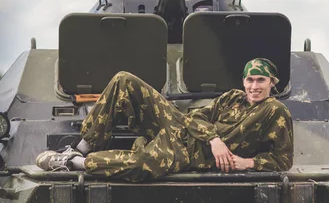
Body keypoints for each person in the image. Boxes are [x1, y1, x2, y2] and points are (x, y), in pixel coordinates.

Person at [36, 58, 294, 181]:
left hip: (191, 154)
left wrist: (247, 162)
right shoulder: (232, 98)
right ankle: (81, 146)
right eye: (250, 79)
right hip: (181, 128)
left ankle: (73, 162)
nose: (254, 86)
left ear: (272, 83)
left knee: (140, 166)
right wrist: (214, 137)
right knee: (124, 79)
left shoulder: (275, 112)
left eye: (261, 80)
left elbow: (283, 160)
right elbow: (196, 117)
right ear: (244, 81)